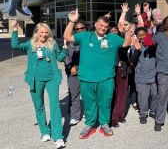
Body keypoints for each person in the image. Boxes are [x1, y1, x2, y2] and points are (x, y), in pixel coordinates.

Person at [63, 9, 130, 139]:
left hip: (106, 79)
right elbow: (67, 36)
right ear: (95, 24)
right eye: (101, 25)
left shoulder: (112, 38)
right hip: (87, 79)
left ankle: (104, 124)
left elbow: (127, 43)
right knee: (89, 104)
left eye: (105, 26)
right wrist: (72, 21)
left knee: (105, 102)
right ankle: (90, 124)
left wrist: (127, 31)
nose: (103, 28)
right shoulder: (84, 36)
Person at [11, 20, 66, 148]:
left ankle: (58, 137)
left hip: (52, 78)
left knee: (55, 107)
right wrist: (14, 29)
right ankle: (45, 132)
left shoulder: (52, 44)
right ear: (36, 32)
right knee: (39, 106)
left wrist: (64, 47)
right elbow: (15, 45)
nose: (44, 34)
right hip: (35, 79)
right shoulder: (30, 44)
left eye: (46, 32)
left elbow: (60, 58)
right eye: (41, 32)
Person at [130, 27, 157, 124]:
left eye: (144, 35)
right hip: (141, 77)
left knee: (155, 95)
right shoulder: (135, 47)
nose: (142, 37)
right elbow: (132, 61)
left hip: (153, 76)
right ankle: (143, 114)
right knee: (143, 97)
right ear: (136, 37)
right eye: (139, 35)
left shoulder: (152, 46)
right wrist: (137, 50)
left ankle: (153, 111)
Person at [63, 20, 87, 126]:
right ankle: (75, 116)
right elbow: (65, 55)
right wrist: (70, 66)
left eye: (82, 28)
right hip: (73, 72)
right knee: (74, 95)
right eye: (77, 29)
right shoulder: (70, 41)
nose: (80, 30)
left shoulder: (90, 40)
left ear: (86, 29)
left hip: (87, 72)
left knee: (88, 95)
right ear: (75, 31)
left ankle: (88, 114)